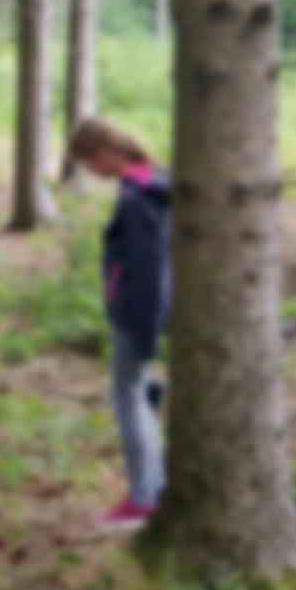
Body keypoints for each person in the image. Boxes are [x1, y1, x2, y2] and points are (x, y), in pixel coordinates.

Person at [69, 117, 172, 531]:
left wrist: (142, 330)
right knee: (137, 395)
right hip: (149, 309)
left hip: (137, 313)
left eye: (90, 163)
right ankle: (154, 486)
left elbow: (147, 270)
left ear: (106, 154)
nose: (92, 172)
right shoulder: (157, 178)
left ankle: (143, 498)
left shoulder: (136, 198)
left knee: (128, 398)